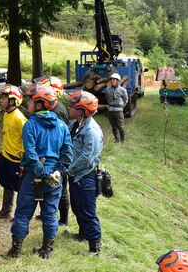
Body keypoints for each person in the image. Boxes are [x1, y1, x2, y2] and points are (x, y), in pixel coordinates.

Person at [7, 84, 72, 259]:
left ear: (40, 104)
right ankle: (46, 251)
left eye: (31, 100)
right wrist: (57, 171)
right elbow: (67, 154)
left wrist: (42, 172)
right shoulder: (62, 126)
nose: (28, 103)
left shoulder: (31, 125)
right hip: (54, 178)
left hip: (33, 176)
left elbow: (31, 153)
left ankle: (16, 251)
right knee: (50, 212)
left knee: (23, 212)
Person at [64, 90, 103, 255]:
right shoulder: (76, 125)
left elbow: (86, 158)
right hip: (76, 176)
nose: (68, 107)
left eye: (72, 105)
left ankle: (94, 247)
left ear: (81, 111)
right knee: (77, 207)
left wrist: (68, 169)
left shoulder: (91, 131)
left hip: (85, 177)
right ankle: (83, 234)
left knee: (87, 212)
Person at [35, 76, 70, 226]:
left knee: (60, 189)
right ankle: (48, 215)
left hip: (57, 157)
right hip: (55, 155)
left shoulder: (57, 110)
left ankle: (62, 220)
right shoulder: (55, 107)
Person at [0, 84, 26, 220]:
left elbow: (27, 139)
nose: (1, 100)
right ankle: (6, 210)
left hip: (16, 160)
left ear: (13, 101)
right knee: (6, 183)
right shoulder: (6, 114)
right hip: (5, 155)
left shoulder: (20, 118)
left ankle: (19, 214)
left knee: (20, 188)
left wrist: (23, 158)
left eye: (4, 98)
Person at [106, 73, 128, 143]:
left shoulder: (122, 90)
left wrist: (121, 106)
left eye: (114, 80)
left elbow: (126, 99)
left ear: (118, 81)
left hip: (119, 111)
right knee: (113, 126)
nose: (112, 81)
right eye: (111, 80)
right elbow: (107, 98)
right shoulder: (108, 89)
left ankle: (123, 140)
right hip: (110, 110)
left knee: (120, 126)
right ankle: (117, 139)